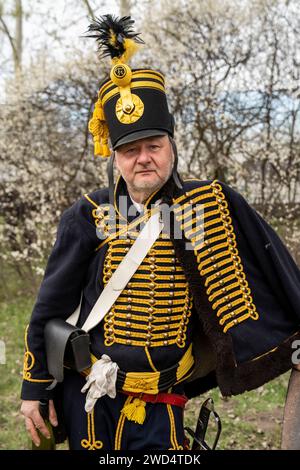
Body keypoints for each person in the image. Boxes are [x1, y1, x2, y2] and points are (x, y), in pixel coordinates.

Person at [20, 14, 300, 450]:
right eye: (130, 150)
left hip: (164, 399)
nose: (143, 158)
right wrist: (34, 390)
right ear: (114, 157)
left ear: (171, 147)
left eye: (154, 146)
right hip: (93, 401)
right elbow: (48, 307)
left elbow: (271, 270)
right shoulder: (89, 213)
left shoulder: (209, 207)